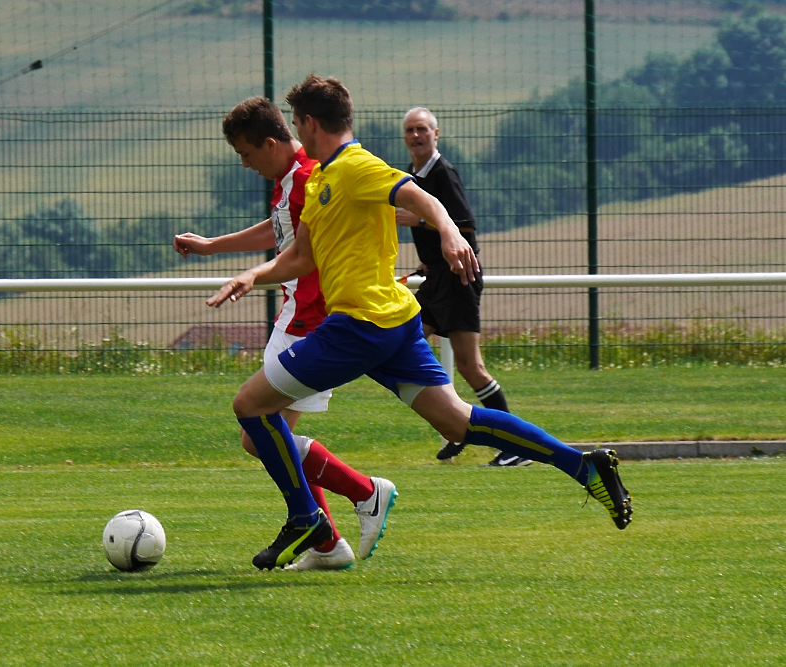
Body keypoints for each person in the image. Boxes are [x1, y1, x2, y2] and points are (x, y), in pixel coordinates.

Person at [206, 74, 633, 570]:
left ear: (310, 123)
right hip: (396, 327)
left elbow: (422, 199)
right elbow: (301, 257)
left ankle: (307, 517)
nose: (298, 133)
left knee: (251, 407)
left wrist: (451, 235)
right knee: (458, 421)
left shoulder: (356, 166)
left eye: (299, 123)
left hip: (358, 328)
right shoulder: (321, 178)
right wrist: (251, 275)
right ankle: (583, 465)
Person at [173, 96, 396, 571]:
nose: (245, 164)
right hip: (295, 314)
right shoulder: (291, 178)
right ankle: (328, 543)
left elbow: (351, 226)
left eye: (247, 154)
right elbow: (282, 234)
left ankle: (363, 493)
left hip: (314, 318)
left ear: (271, 143)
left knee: (261, 434)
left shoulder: (311, 176)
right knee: (264, 434)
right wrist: (214, 246)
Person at [395, 107, 530, 467]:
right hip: (439, 277)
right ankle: (458, 427)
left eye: (422, 129)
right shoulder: (413, 175)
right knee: (405, 345)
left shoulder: (443, 173)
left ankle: (515, 446)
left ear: (436, 135)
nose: (416, 135)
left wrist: (418, 220)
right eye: (410, 130)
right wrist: (427, 260)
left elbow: (465, 227)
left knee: (471, 367)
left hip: (459, 278)